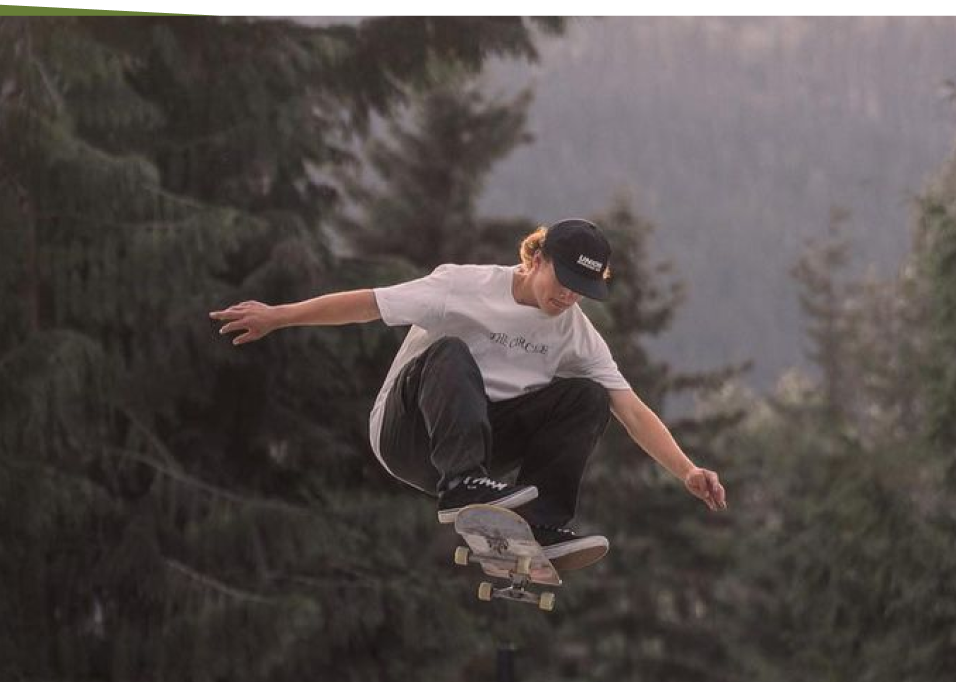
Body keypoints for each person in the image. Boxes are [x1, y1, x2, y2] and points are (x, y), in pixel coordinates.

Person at [210, 218, 726, 571]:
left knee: (589, 396)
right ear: (536, 258)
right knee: (452, 351)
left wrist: (686, 470)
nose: (566, 297)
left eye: (580, 291)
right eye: (562, 281)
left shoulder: (575, 331)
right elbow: (368, 304)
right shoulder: (463, 286)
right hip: (409, 431)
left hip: (482, 448)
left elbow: (630, 409)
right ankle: (462, 486)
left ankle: (541, 528)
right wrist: (280, 315)